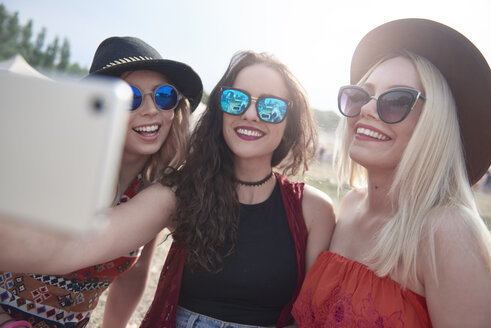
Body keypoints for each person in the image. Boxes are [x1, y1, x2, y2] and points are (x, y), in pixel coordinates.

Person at [0, 50, 335, 328]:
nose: (250, 114)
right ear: (220, 108)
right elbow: (76, 247)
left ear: (289, 120)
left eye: (271, 107)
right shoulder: (180, 193)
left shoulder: (313, 210)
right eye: (236, 100)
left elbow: (308, 318)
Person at [291, 18, 491, 327]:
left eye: (397, 101)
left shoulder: (447, 231)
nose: (367, 110)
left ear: (434, 126)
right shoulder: (349, 207)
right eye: (360, 96)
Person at [0, 36, 202, 328]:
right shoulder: (59, 167)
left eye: (164, 96)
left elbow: (135, 273)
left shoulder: (153, 190)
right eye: (129, 97)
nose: (150, 109)